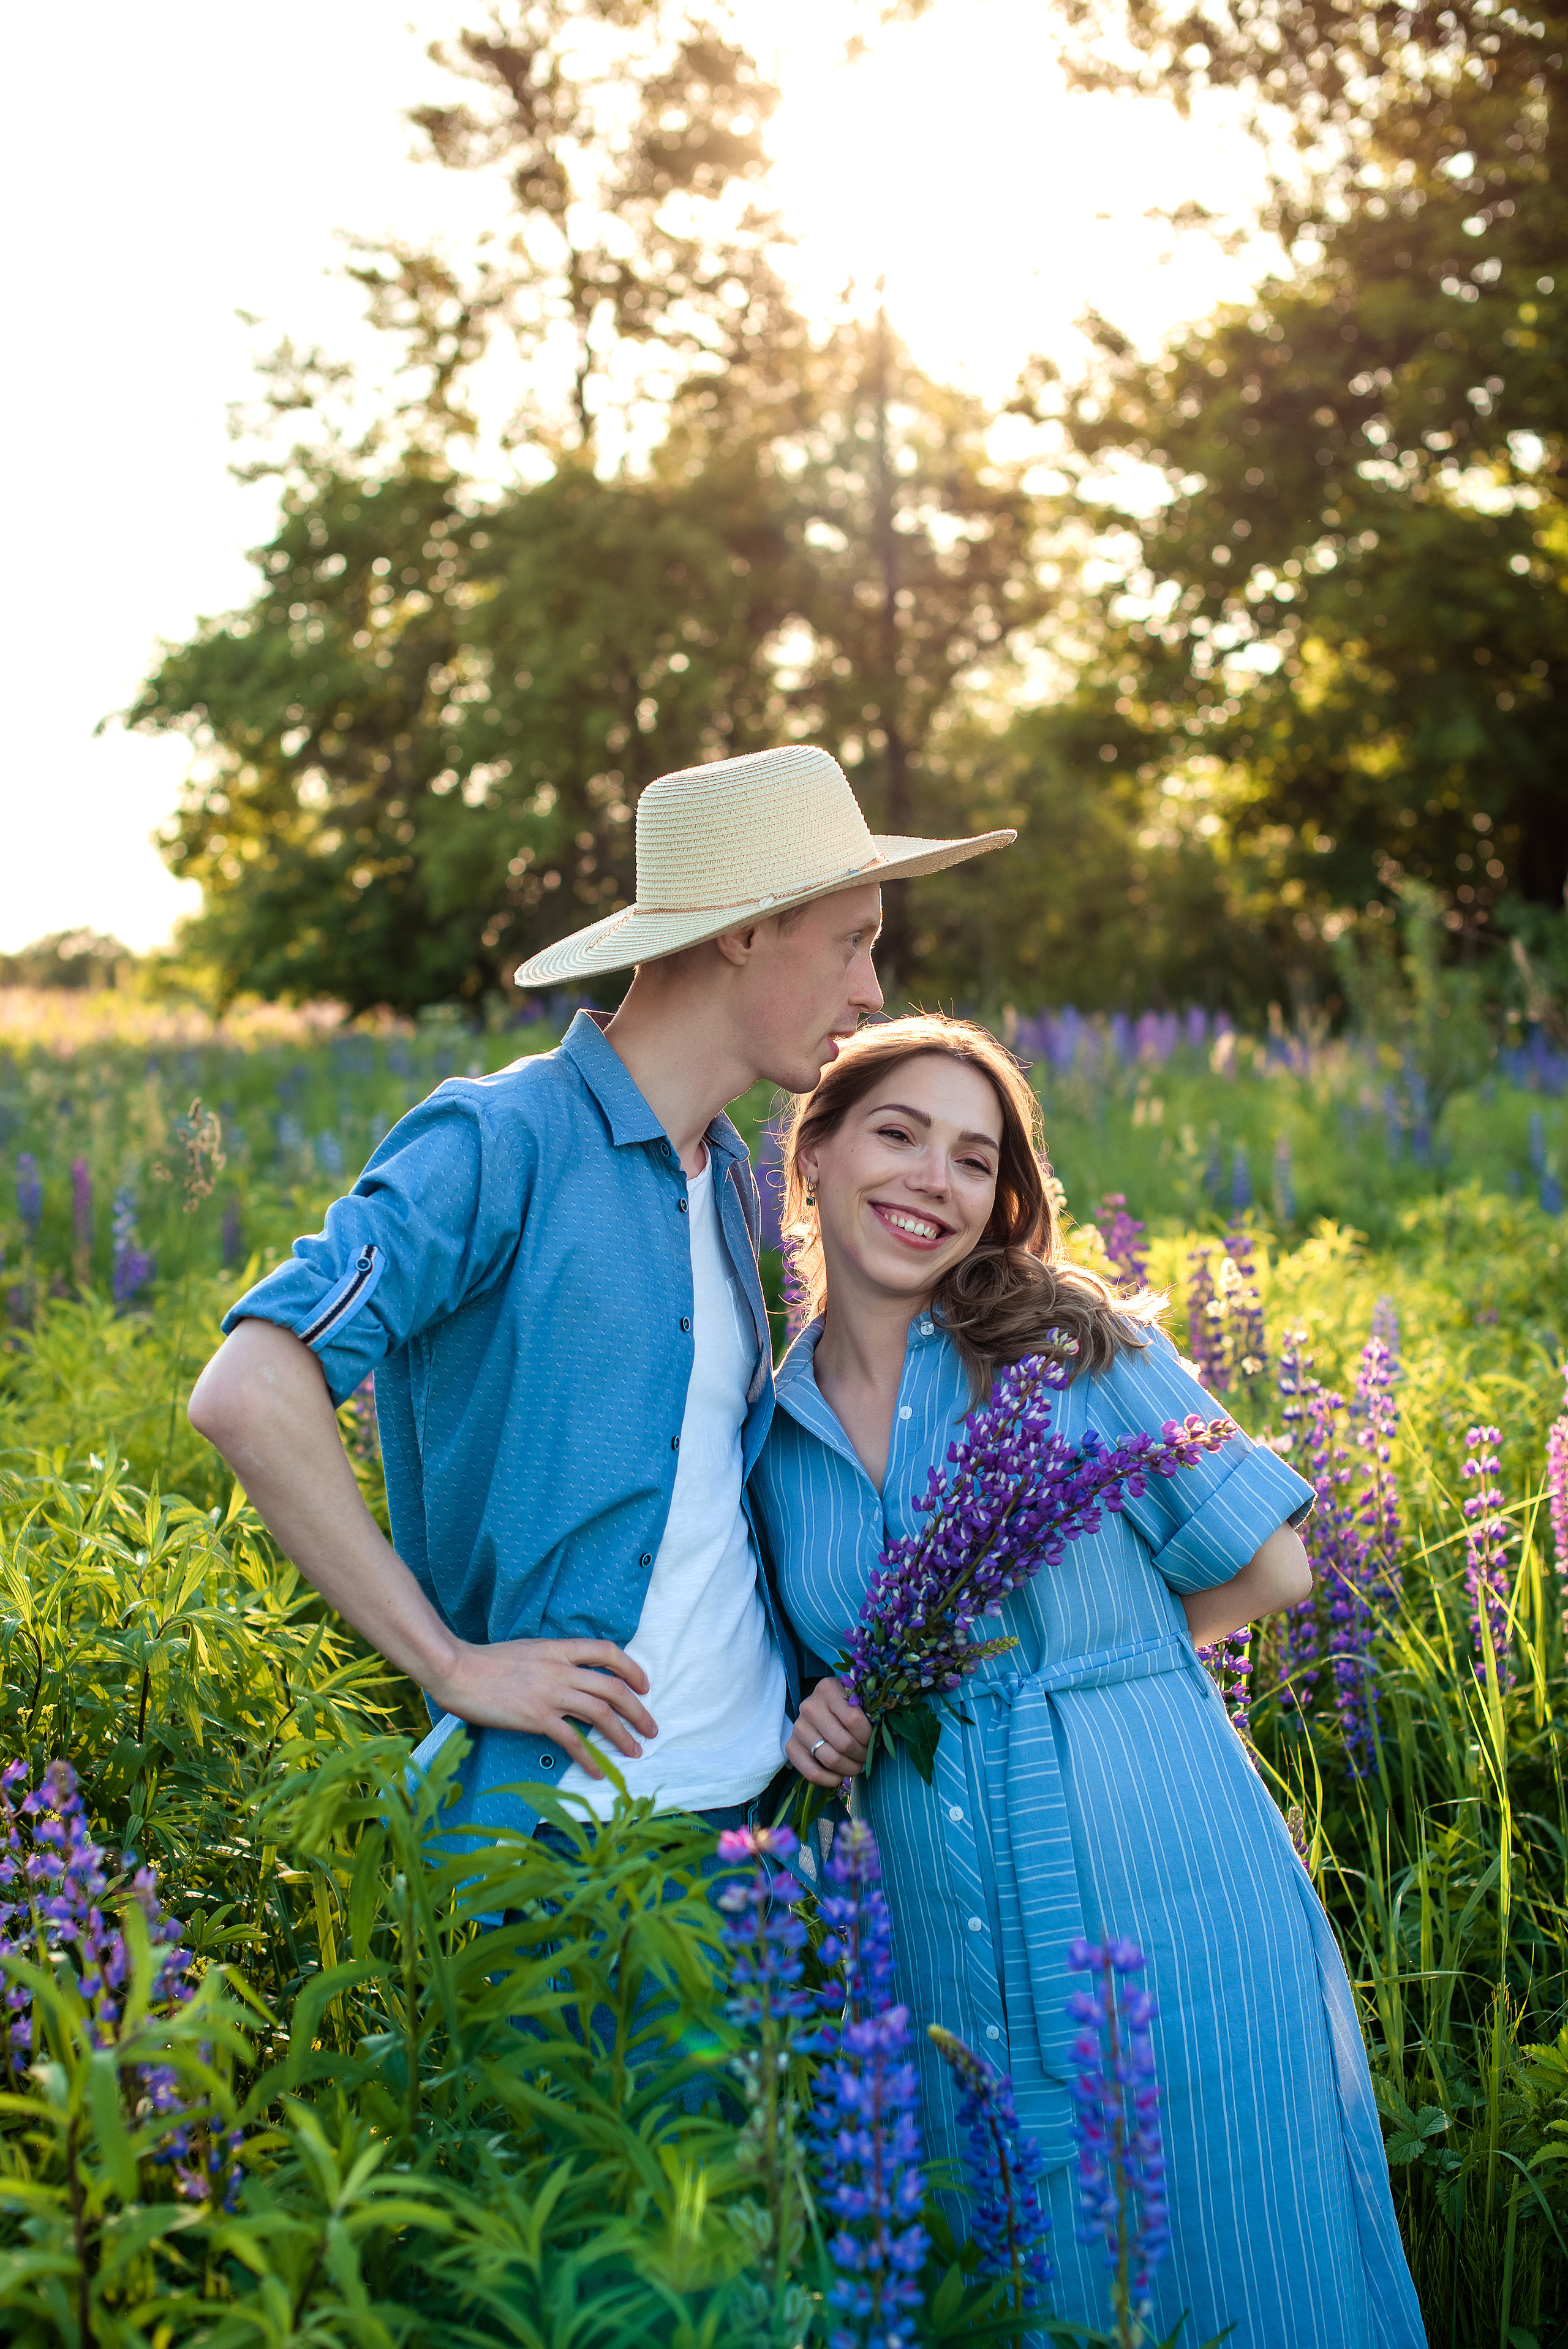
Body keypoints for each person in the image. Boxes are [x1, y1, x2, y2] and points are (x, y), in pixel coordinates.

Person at [186, 746, 1013, 1849]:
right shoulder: (500, 1141)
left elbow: (698, 1514)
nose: (873, 990)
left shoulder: (725, 1177)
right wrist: (449, 1664)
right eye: (853, 941)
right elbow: (249, 1387)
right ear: (745, 929)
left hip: (756, 1818)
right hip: (567, 1841)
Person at [750, 1013, 1425, 2349]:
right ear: (814, 1151)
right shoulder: (769, 1426)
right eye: (895, 1134)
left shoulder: (1058, 1338)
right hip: (934, 1913)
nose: (927, 1181)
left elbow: (1273, 1565)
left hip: (1158, 1871)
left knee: (1247, 2245)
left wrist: (1092, 1659)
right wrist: (825, 1711)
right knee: (1016, 2261)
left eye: (968, 1157)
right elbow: (815, 1662)